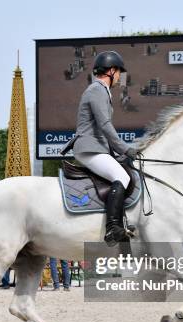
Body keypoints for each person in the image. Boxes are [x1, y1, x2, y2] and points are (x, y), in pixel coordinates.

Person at [64, 50, 137, 246]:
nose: (120, 76)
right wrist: (124, 149)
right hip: (89, 148)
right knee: (122, 177)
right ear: (111, 71)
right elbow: (104, 124)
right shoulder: (97, 89)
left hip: (96, 147)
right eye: (119, 72)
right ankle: (113, 227)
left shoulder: (101, 90)